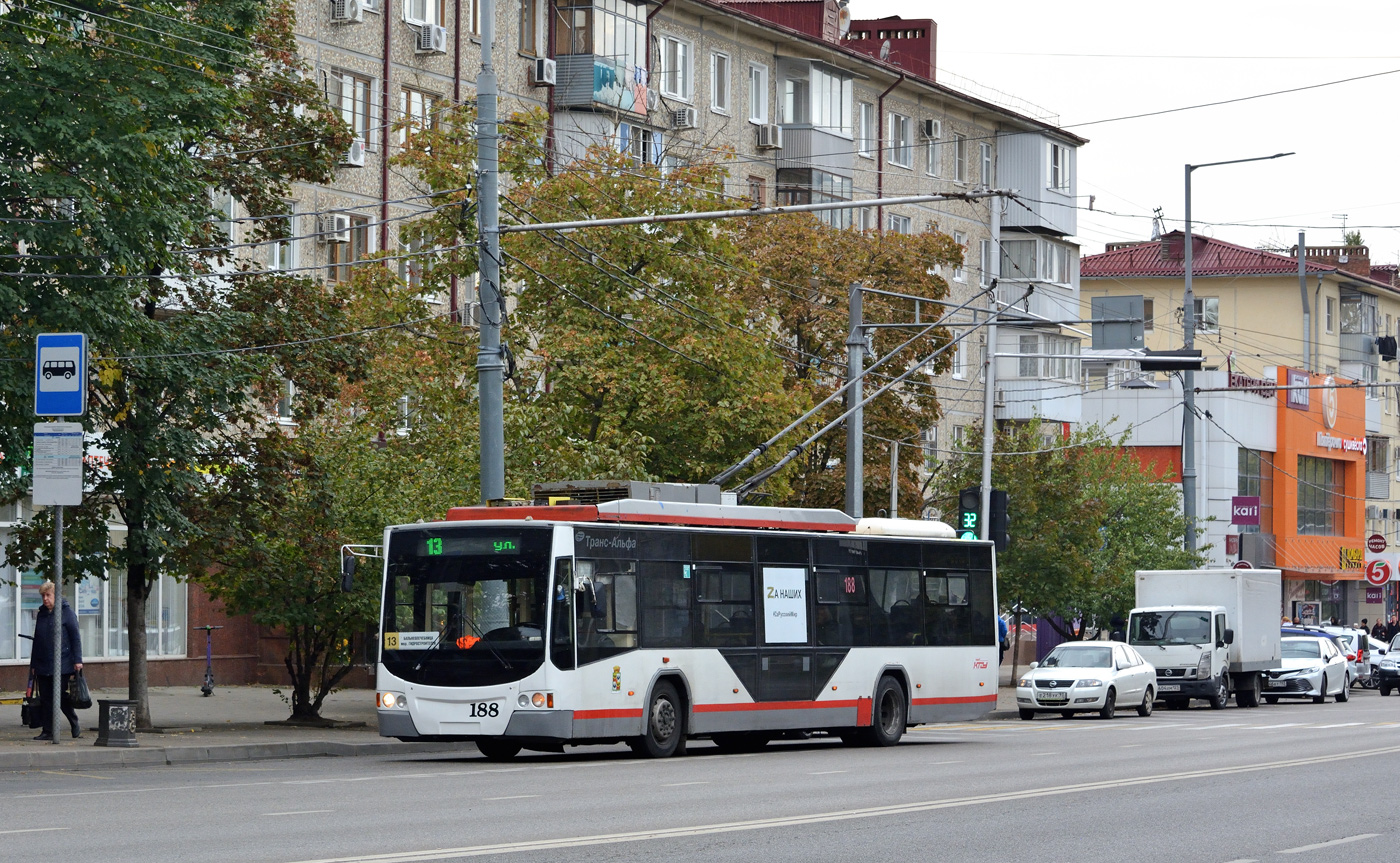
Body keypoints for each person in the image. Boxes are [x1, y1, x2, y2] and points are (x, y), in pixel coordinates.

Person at [29, 581, 83, 741]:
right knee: (46, 698)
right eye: (43, 596)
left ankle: (73, 721)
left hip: (63, 663)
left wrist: (78, 660)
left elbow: (75, 637)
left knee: (58, 696)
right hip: (43, 663)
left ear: (56, 596)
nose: (45, 599)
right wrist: (33, 664)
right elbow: (37, 640)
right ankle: (48, 730)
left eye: (48, 595)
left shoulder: (66, 613)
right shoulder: (42, 614)